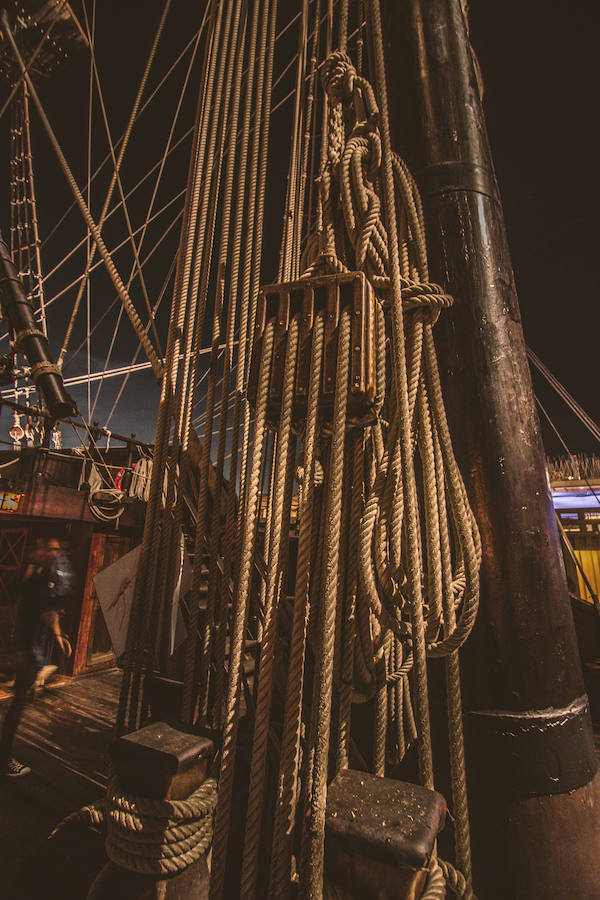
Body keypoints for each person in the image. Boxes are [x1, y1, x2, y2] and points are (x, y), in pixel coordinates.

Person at [0, 537, 72, 777]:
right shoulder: (40, 577)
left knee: (20, 699)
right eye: (51, 548)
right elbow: (47, 612)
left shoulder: (32, 572)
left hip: (22, 643)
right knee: (18, 703)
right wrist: (59, 637)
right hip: (27, 646)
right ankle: (4, 759)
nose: (55, 553)